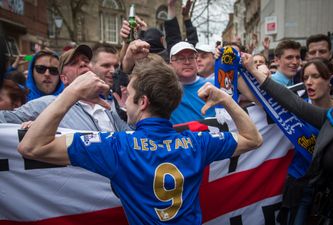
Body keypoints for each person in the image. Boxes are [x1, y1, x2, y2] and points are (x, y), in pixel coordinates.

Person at [18, 55, 263, 225]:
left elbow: (31, 146)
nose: (125, 101)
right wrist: (226, 99)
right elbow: (253, 139)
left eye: (130, 96)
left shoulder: (117, 146)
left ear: (143, 102)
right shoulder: (197, 142)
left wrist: (71, 92)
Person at [242, 53, 333, 225]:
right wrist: (247, 69)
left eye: (315, 76)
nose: (309, 82)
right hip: (304, 190)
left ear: (329, 79)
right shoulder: (330, 117)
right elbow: (289, 101)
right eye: (306, 77)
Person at [0, 44, 128, 132]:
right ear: (64, 79)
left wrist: (130, 113)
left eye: (86, 60)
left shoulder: (107, 107)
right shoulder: (47, 104)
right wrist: (39, 129)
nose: (83, 63)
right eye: (74, 63)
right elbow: (5, 119)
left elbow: (132, 137)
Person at [169, 41, 216, 124]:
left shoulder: (212, 84)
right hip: (179, 136)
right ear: (171, 64)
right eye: (181, 58)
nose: (187, 62)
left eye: (191, 57)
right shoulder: (164, 89)